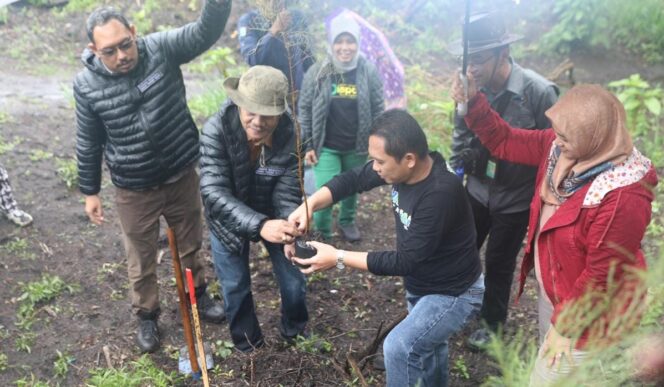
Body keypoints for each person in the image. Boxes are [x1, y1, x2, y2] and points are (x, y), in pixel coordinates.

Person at [452, 78, 657, 385]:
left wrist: (564, 327)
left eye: (565, 136)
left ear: (595, 135)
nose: (557, 141)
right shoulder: (569, 151)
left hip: (591, 316)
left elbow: (602, 275)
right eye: (558, 134)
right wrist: (474, 102)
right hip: (561, 292)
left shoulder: (622, 195)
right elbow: (506, 140)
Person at [74, 0, 231, 353]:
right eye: (109, 51)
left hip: (180, 174)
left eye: (125, 44)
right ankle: (147, 315)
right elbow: (88, 139)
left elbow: (204, 32)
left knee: (190, 245)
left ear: (134, 33)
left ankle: (197, 297)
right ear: (93, 50)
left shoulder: (161, 48)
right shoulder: (85, 86)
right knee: (141, 258)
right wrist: (90, 190)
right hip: (133, 187)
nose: (122, 56)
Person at [289, 109, 484, 386]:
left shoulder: (440, 192)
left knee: (400, 347)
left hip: (453, 291)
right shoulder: (403, 171)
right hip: (423, 283)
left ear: (409, 160)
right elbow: (353, 179)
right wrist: (309, 205)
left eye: (380, 161)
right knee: (429, 346)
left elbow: (406, 261)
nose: (375, 167)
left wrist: (338, 257)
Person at [447, 11, 559, 348]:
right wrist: (458, 170)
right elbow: (459, 132)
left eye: (480, 59)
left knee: (498, 262)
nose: (472, 68)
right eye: (468, 60)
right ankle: (456, 309)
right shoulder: (468, 87)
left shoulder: (538, 92)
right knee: (462, 250)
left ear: (503, 54)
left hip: (516, 197)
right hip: (478, 189)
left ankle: (492, 324)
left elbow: (556, 149)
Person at [199, 65, 308, 353]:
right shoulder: (216, 130)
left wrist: (288, 226)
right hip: (228, 218)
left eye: (268, 114)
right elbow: (213, 191)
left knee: (294, 278)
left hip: (274, 215)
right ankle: (249, 348)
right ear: (238, 103)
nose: (258, 121)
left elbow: (287, 190)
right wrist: (259, 226)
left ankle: (294, 332)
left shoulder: (293, 133)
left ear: (281, 112)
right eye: (251, 111)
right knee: (235, 286)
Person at [298, 14, 384, 242]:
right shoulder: (317, 72)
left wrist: (375, 141)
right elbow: (304, 109)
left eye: (350, 41)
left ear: (357, 42)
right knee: (324, 190)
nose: (345, 47)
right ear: (331, 42)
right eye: (339, 41)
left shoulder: (368, 71)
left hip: (356, 145)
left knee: (351, 188)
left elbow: (378, 108)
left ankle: (347, 221)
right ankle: (323, 231)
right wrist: (307, 144)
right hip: (325, 146)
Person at [237, 0, 314, 102]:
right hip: (270, 99)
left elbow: (307, 57)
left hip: (298, 97)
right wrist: (273, 31)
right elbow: (252, 59)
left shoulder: (296, 16)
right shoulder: (250, 20)